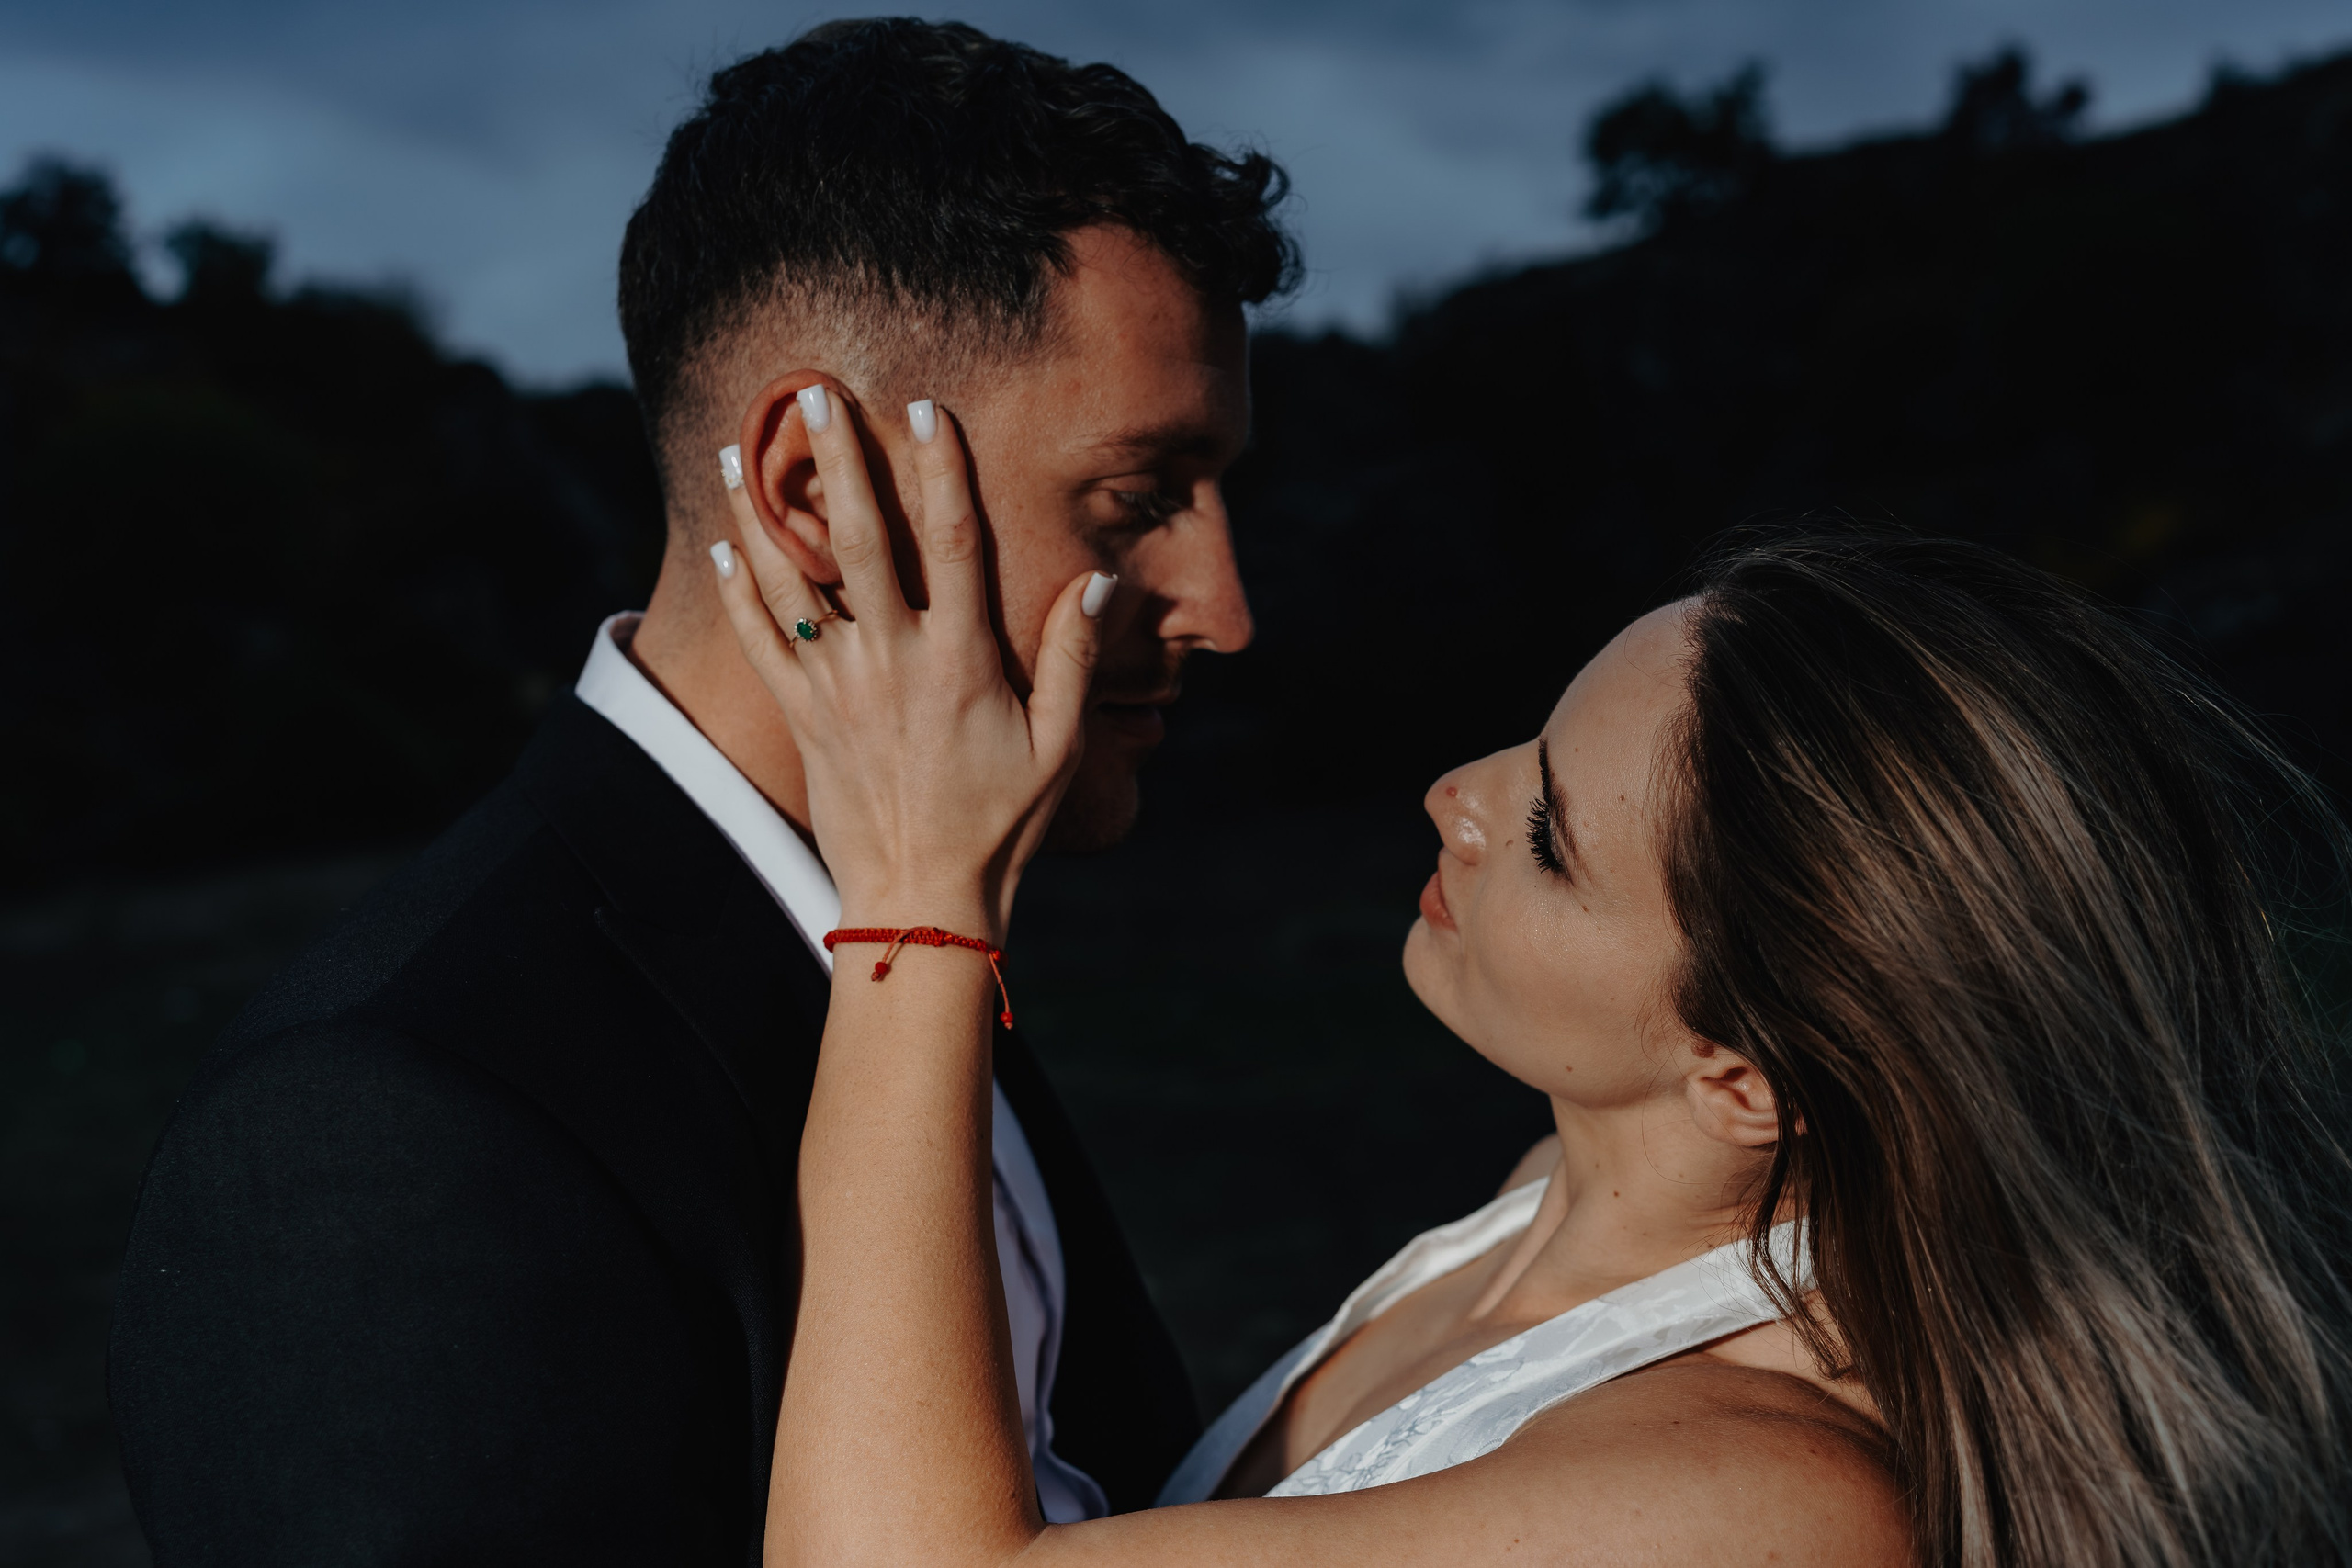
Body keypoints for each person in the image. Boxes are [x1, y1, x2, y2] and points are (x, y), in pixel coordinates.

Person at [717, 397, 2352, 1567]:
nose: (1459, 793)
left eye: (1553, 833)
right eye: (1535, 735)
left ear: (1749, 1075)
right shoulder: (1552, 1204)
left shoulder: (1745, 1507)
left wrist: (921, 901)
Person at [108, 19, 1292, 1562]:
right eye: (1138, 500)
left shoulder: (903, 933)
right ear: (817, 493)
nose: (1222, 603)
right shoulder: (381, 1129)